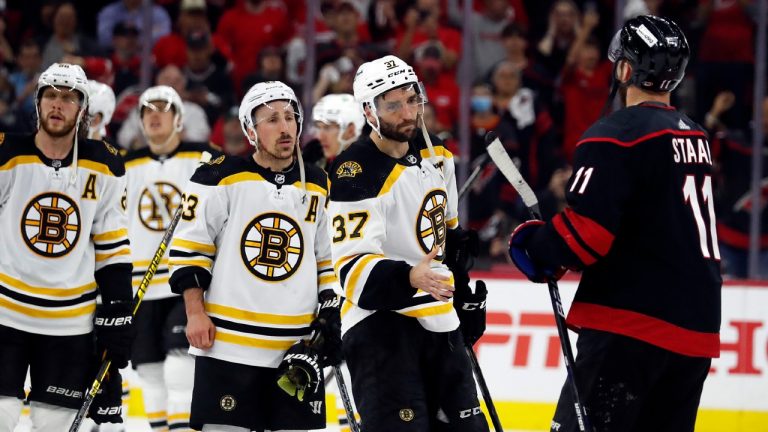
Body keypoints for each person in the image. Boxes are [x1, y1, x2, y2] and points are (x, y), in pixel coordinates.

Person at [508, 15, 722, 432]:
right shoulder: (695, 136)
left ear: (625, 69)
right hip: (697, 330)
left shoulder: (614, 134)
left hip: (630, 325)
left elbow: (585, 239)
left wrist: (538, 246)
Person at [168, 81, 341, 432]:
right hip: (227, 345)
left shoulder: (319, 184)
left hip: (295, 348)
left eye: (291, 117)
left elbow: (328, 260)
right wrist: (195, 312)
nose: (285, 127)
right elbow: (190, 249)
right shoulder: (220, 176)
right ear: (251, 130)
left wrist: (330, 313)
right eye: (272, 119)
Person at [328, 54, 488, 431]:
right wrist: (409, 277)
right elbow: (351, 273)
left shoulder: (438, 157)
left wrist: (462, 291)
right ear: (369, 110)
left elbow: (445, 244)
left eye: (412, 100)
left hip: (438, 320)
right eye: (393, 105)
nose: (408, 113)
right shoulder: (355, 171)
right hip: (380, 325)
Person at [0, 63, 134, 430]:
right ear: (38, 104)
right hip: (5, 313)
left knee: (53, 424)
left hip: (69, 323)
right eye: (51, 96)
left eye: (68, 98)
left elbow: (112, 247)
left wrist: (119, 308)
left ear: (82, 110)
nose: (58, 104)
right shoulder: (6, 154)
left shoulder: (106, 164)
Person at [123, 85, 218, 432]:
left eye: (163, 109)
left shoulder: (205, 159)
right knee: (148, 372)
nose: (155, 115)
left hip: (185, 282)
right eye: (147, 110)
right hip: (139, 286)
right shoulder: (123, 166)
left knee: (180, 368)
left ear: (179, 120)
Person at [304, 93, 365, 172]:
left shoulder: (368, 165)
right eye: (319, 127)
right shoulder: (312, 153)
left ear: (350, 130)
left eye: (327, 128)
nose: (319, 137)